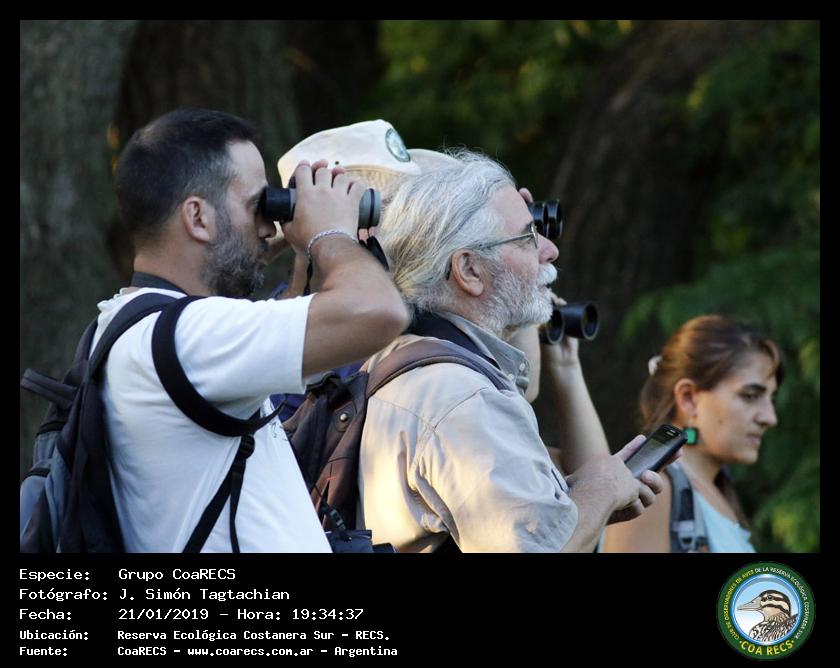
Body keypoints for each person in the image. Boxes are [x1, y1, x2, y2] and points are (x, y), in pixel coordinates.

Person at [100, 108, 409, 552]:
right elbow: (379, 311)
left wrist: (290, 246)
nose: (269, 225)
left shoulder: (144, 325)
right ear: (198, 218)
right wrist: (330, 232)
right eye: (256, 207)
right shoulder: (192, 337)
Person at [356, 148, 665, 552]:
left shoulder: (401, 362)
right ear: (469, 270)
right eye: (527, 236)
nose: (549, 250)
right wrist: (603, 489)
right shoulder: (465, 398)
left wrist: (580, 501)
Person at [267, 119, 547, 418]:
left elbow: (521, 387)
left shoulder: (407, 308)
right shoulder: (274, 334)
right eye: (391, 210)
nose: (412, 226)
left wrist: (523, 245)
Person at [602, 314, 782, 552]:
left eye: (771, 399)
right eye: (750, 396)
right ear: (688, 398)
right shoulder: (653, 490)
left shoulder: (716, 491)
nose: (769, 418)